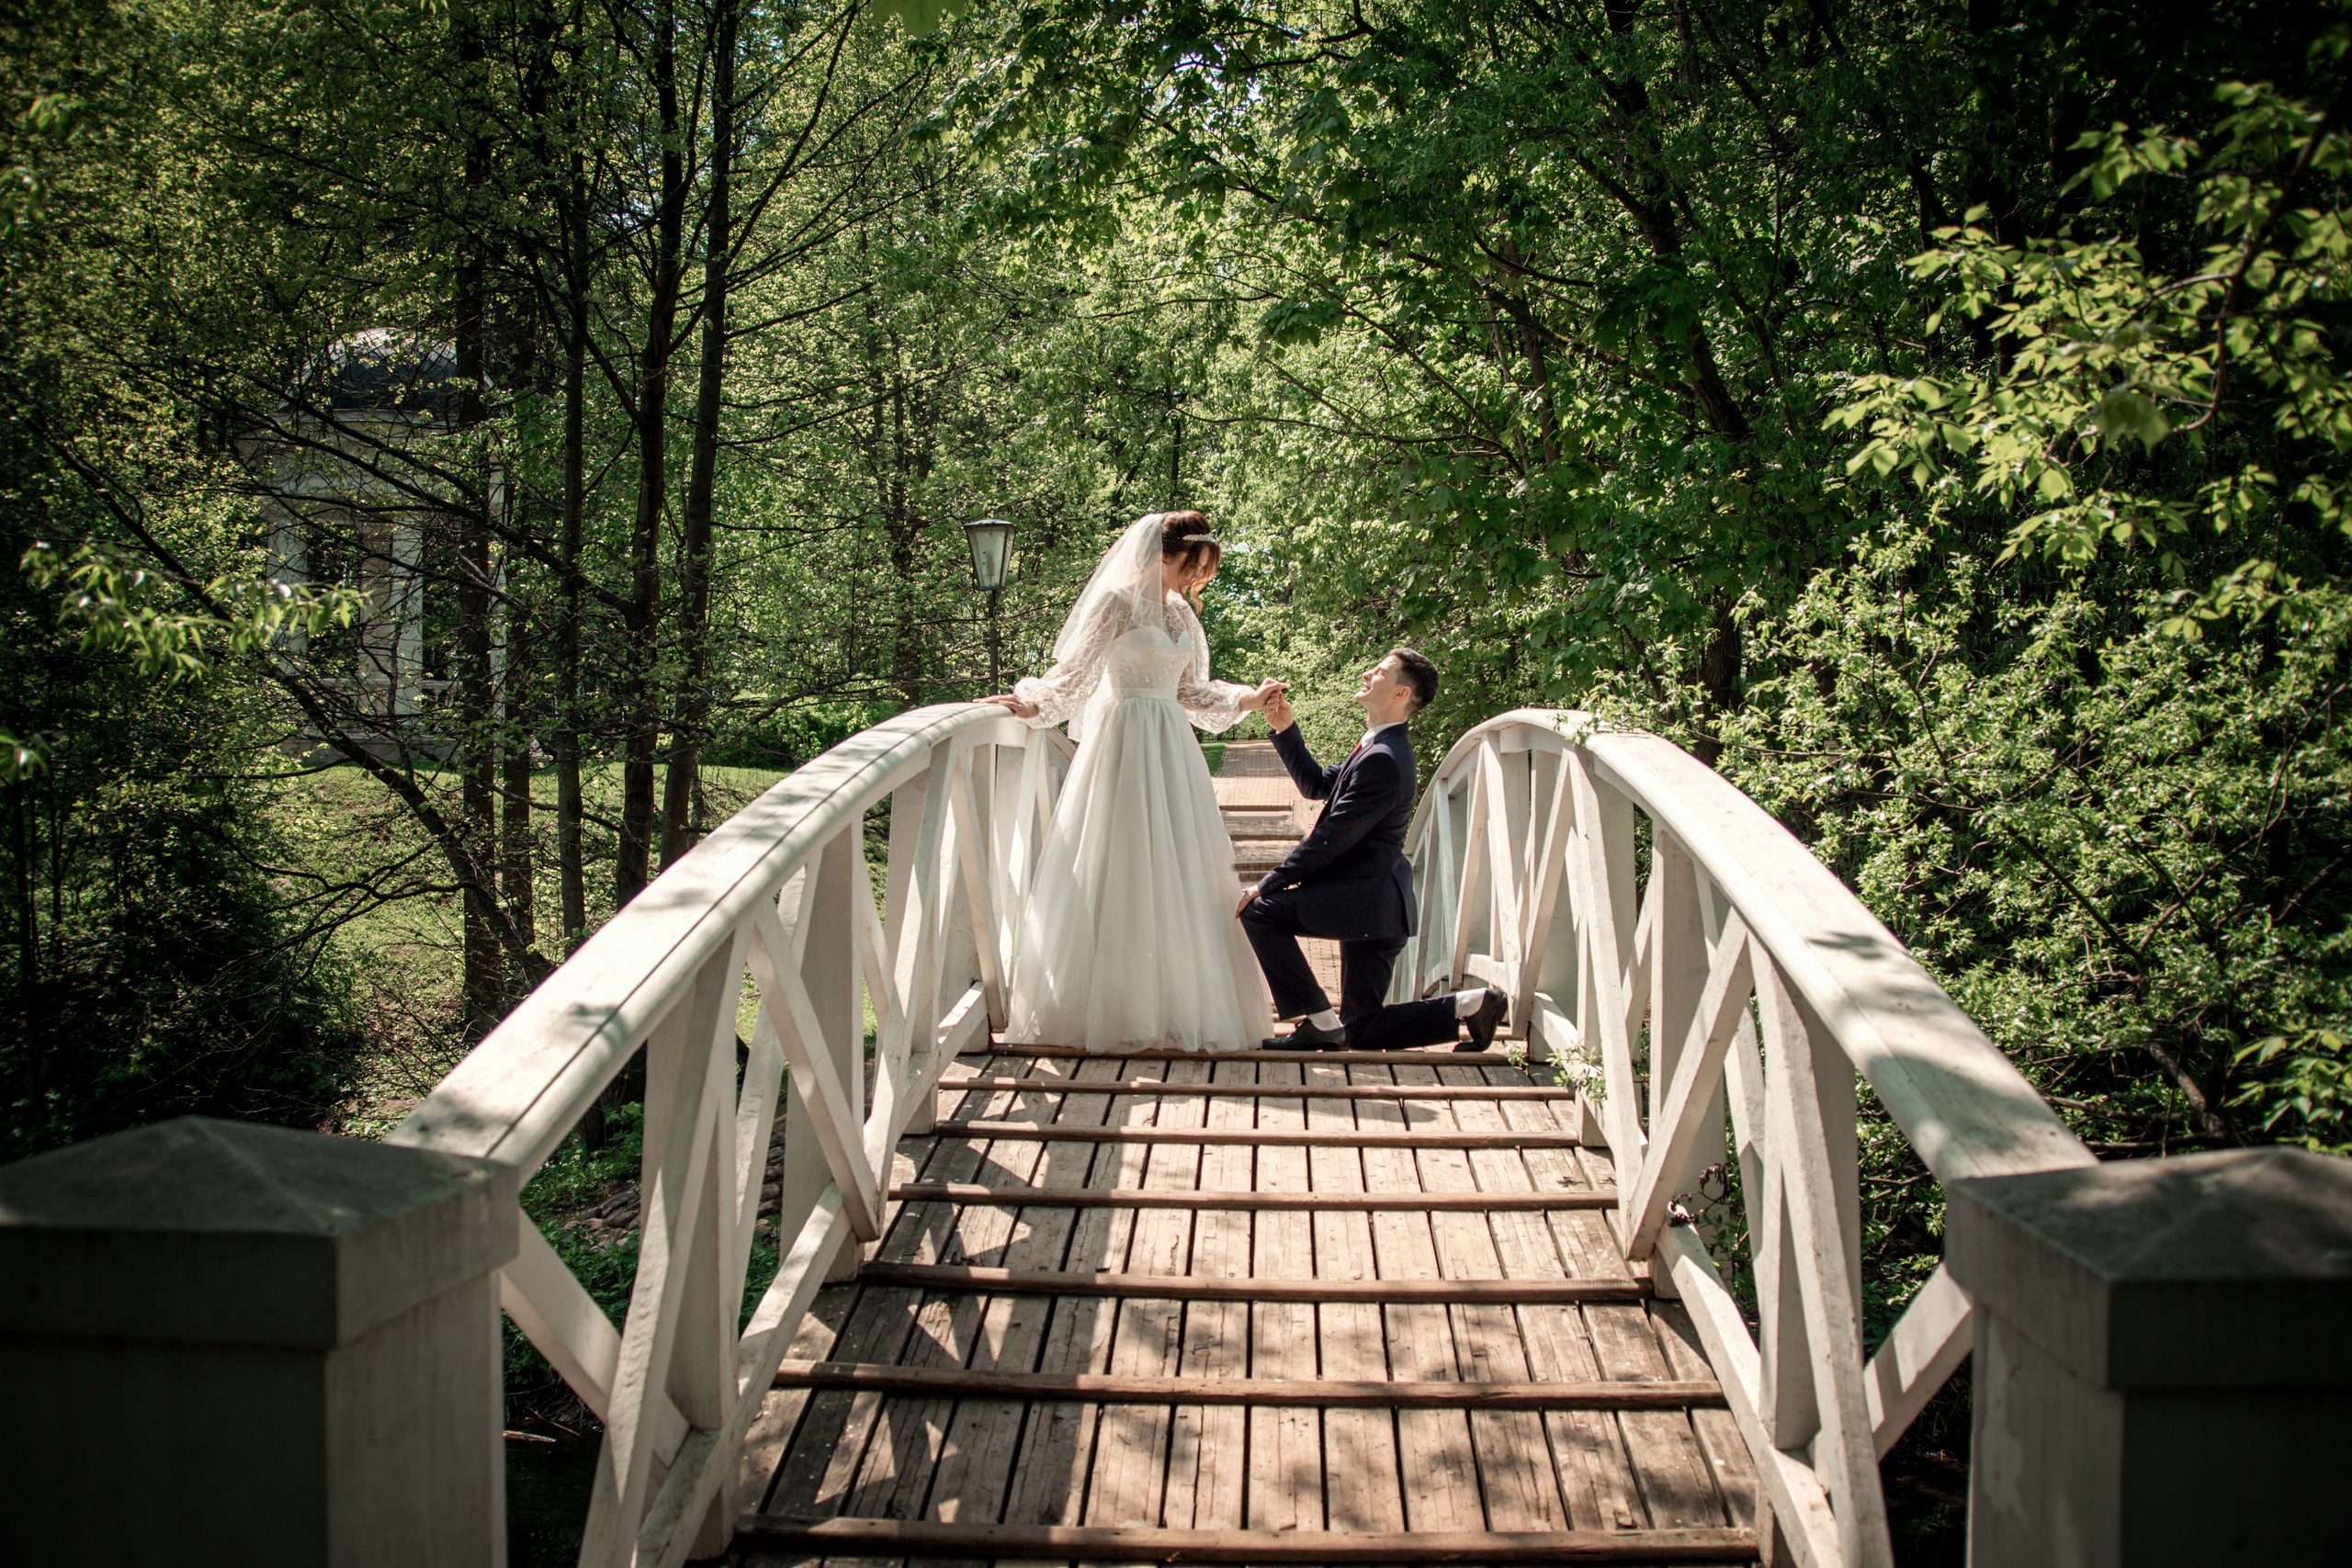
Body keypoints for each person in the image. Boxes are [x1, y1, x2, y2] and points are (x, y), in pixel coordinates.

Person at [978, 512, 1282, 1052]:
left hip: (1171, 746)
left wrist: (1245, 698)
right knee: (1118, 864)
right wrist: (1032, 702)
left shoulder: (1181, 613)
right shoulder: (1115, 603)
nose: (1194, 579)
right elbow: (1076, 675)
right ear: (1161, 553)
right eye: (1191, 566)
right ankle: (1112, 1007)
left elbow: (1190, 690)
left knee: (1179, 866)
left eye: (1202, 569)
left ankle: (1174, 1005)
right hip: (1123, 744)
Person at [1237, 649, 1506, 1052]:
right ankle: (1470, 1006)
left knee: (1260, 912)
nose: (1366, 673)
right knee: (1362, 1027)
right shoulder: (1378, 747)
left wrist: (1269, 883)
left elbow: (1332, 837)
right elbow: (1315, 785)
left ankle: (1320, 1022)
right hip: (1376, 906)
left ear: (1401, 693)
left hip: (1366, 901)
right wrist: (1285, 729)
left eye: (1379, 672)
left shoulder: (1384, 758)